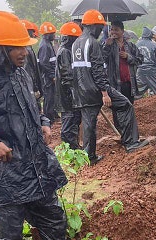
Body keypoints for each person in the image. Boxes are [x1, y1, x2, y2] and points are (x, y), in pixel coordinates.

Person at [0, 11, 95, 240]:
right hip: (1, 171)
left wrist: (42, 120)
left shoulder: (20, 72)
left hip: (34, 164)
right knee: (9, 233)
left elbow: (31, 103)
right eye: (17, 47)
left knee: (53, 216)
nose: (24, 52)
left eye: (25, 46)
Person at [72, 9, 149, 163]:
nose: (103, 30)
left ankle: (89, 157)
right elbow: (98, 70)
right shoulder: (94, 43)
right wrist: (105, 92)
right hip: (98, 89)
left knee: (89, 124)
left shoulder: (76, 43)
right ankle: (131, 143)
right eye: (101, 27)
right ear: (93, 26)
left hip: (83, 91)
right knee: (126, 105)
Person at [54, 22, 83, 150]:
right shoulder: (65, 52)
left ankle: (74, 146)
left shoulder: (65, 50)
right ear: (70, 38)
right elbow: (67, 75)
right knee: (69, 120)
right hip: (67, 94)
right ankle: (70, 149)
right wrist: (74, 93)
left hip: (68, 93)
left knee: (74, 120)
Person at [103, 21, 143, 105]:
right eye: (111, 30)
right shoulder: (107, 45)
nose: (113, 32)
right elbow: (102, 60)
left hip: (129, 84)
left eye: (116, 30)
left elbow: (140, 60)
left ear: (122, 31)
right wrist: (107, 46)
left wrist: (128, 57)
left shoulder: (130, 46)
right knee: (118, 110)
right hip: (115, 84)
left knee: (129, 107)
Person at [37, 22, 58, 123]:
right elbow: (44, 63)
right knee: (49, 97)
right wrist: (52, 76)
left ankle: (53, 114)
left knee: (52, 96)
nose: (54, 35)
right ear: (47, 34)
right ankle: (49, 117)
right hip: (47, 78)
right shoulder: (45, 46)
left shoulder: (48, 44)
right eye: (53, 33)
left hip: (49, 76)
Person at [21, 20, 43, 103]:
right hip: (29, 88)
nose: (33, 35)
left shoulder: (28, 48)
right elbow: (28, 71)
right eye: (31, 32)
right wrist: (35, 88)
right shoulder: (26, 49)